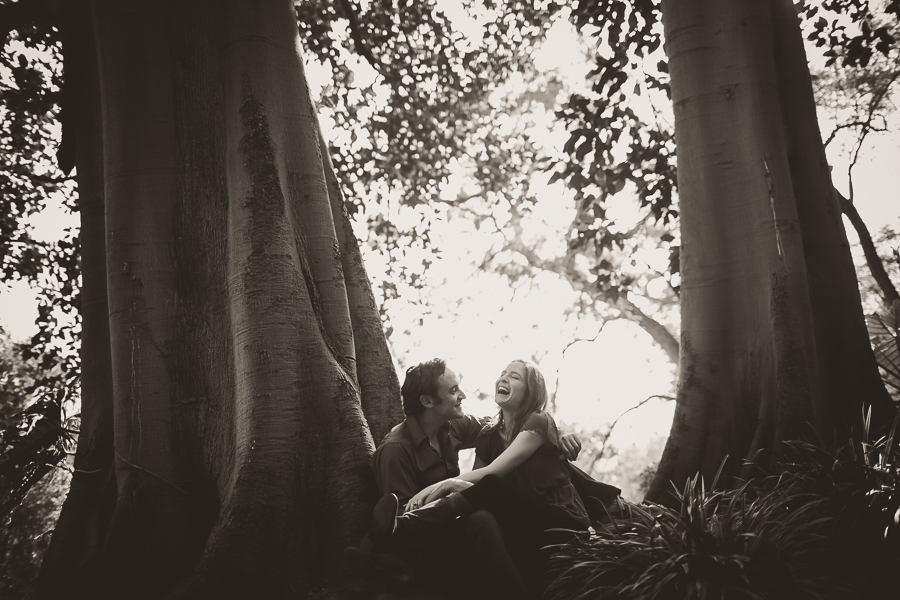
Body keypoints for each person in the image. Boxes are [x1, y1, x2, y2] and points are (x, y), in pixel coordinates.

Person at [371, 359, 615, 596]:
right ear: (427, 401)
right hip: (475, 532)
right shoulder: (399, 449)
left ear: (532, 392)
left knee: (490, 492)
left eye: (515, 376)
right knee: (482, 513)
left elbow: (495, 472)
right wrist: (455, 487)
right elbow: (478, 488)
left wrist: (445, 484)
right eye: (454, 390)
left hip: (565, 523)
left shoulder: (528, 422)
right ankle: (391, 547)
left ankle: (403, 529)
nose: (463, 395)